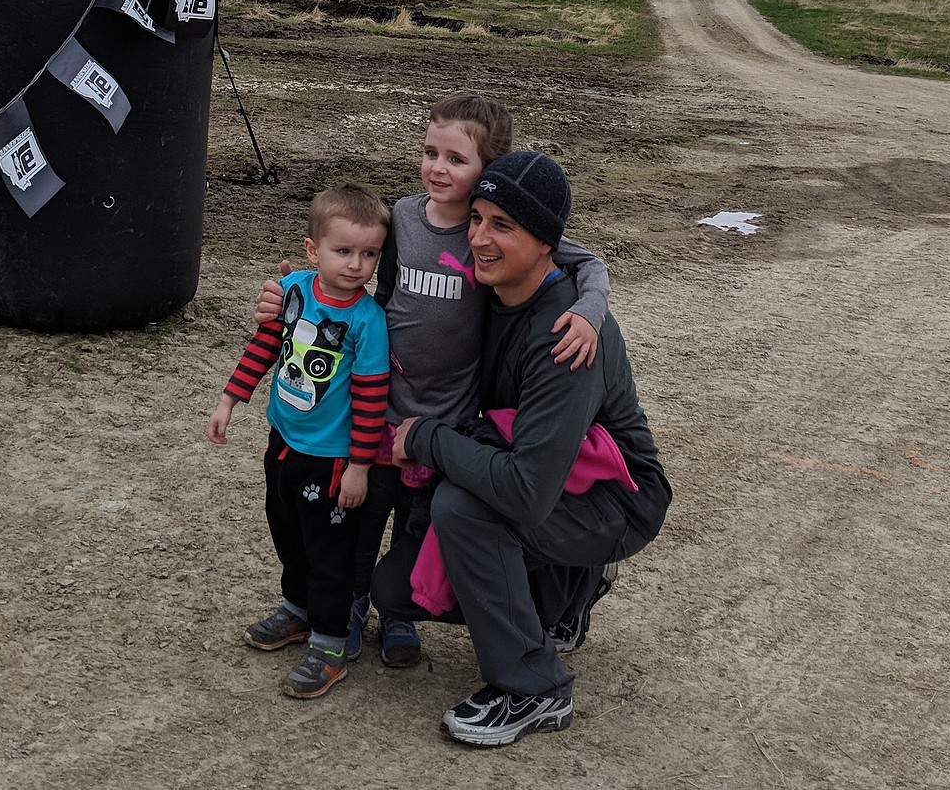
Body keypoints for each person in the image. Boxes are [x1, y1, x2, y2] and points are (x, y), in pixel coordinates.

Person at [255, 94, 611, 671]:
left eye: (456, 158)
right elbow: (342, 263)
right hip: (378, 410)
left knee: (415, 528)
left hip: (447, 420)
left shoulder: (488, 229)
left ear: (487, 172)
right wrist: (285, 295)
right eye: (430, 153)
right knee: (361, 519)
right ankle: (343, 612)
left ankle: (399, 615)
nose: (438, 168)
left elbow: (586, 261)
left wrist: (591, 311)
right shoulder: (399, 218)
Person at [373, 151, 672, 748]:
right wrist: (294, 296)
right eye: (476, 218)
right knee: (395, 591)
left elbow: (528, 492)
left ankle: (533, 688)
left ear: (546, 246)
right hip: (547, 470)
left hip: (613, 496)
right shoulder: (489, 293)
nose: (480, 238)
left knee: (465, 510)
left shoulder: (565, 336)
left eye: (502, 226)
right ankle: (564, 594)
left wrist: (429, 440)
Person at [207, 185, 391, 700]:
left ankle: (331, 646)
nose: (356, 265)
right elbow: (266, 345)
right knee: (286, 532)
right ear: (314, 250)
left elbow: (373, 398)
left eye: (369, 254)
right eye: (343, 251)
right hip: (283, 442)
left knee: (328, 553)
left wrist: (358, 466)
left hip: (331, 459)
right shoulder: (297, 291)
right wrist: (229, 400)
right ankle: (298, 611)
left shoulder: (368, 322)